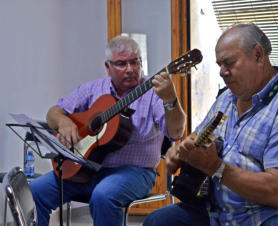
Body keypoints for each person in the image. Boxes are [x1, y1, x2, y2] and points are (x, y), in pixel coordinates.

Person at [144, 23, 278, 226]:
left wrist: (214, 166)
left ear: (258, 55)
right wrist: (181, 153)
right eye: (219, 64)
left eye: (229, 63)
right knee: (158, 221)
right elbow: (200, 137)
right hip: (222, 211)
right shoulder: (227, 99)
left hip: (276, 215)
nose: (222, 72)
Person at [29, 35, 186, 226]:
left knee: (103, 195)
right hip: (85, 169)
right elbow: (53, 112)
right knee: (35, 191)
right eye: (121, 64)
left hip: (135, 172)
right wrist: (63, 123)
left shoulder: (153, 94)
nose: (130, 69)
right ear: (107, 66)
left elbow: (176, 133)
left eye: (134, 62)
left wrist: (171, 100)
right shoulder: (92, 89)